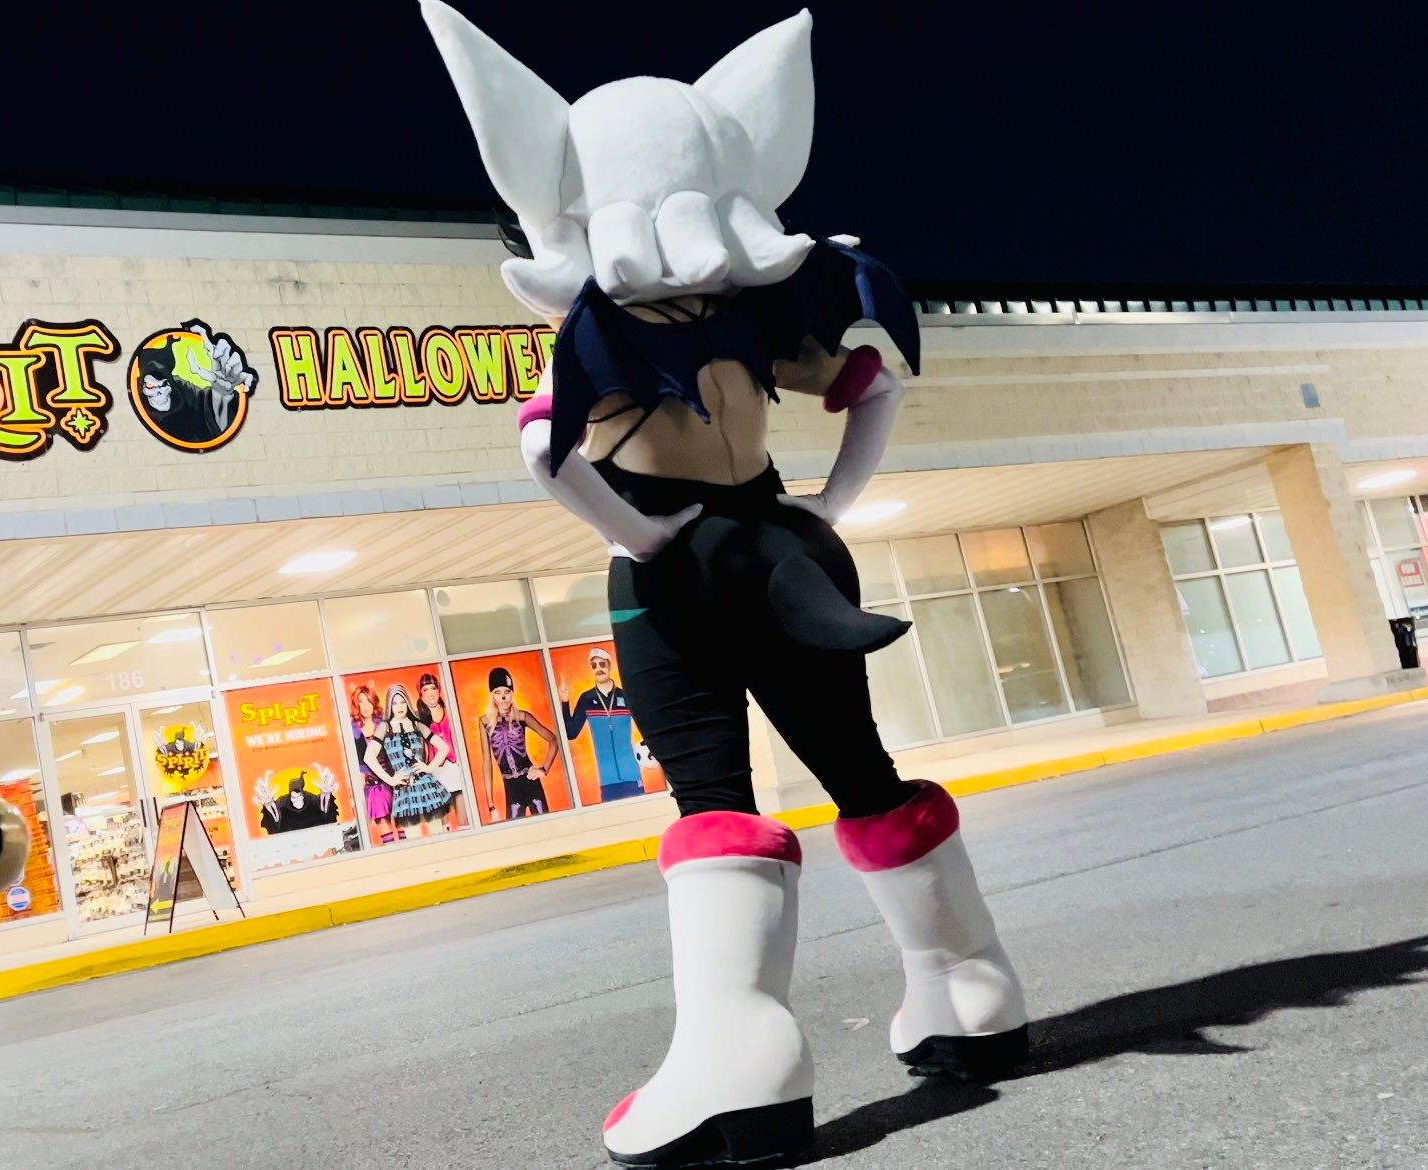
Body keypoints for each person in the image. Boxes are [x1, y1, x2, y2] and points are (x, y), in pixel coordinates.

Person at [422, 5, 1029, 1166]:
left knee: (710, 795)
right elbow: (873, 381)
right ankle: (970, 990)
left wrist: (641, 537)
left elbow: (543, 453)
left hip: (677, 574)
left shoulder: (598, 329)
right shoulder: (762, 315)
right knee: (860, 770)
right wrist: (826, 506)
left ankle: (741, 1060)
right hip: (787, 545)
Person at [134, 322, 252, 446]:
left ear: (170, 383)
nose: (159, 391)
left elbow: (208, 410)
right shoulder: (138, 408)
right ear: (142, 387)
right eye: (151, 386)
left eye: (163, 385)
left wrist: (222, 394)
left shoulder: (184, 392)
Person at [365, 685, 456, 838]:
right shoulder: (385, 727)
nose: (399, 706)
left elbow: (444, 747)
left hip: (426, 786)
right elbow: (368, 757)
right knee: (413, 837)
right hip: (404, 790)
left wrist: (429, 767)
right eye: (395, 703)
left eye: (402, 702)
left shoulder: (416, 725)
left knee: (437, 833)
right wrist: (390, 780)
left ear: (407, 702)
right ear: (389, 705)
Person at [561, 646, 645, 801]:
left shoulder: (625, 695)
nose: (598, 669)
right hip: (607, 779)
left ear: (609, 666)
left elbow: (646, 725)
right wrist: (565, 702)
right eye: (594, 665)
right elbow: (571, 733)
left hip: (632, 774)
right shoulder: (586, 699)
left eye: (602, 664)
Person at [477, 666, 560, 819]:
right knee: (515, 827)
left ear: (512, 693)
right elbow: (486, 763)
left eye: (507, 691)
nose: (503, 697)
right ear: (492, 695)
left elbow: (553, 740)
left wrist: (544, 769)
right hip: (511, 788)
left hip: (531, 782)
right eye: (498, 692)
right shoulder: (484, 722)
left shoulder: (522, 717)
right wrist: (491, 805)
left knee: (545, 824)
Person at [415, 673, 467, 830]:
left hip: (455, 766)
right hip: (436, 769)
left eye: (433, 688)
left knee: (464, 819)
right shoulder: (418, 717)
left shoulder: (450, 711)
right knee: (445, 824)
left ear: (439, 690)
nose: (431, 693)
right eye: (426, 690)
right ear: (420, 694)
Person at [349, 685, 396, 843]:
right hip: (373, 784)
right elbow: (358, 760)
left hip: (394, 779)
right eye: (360, 701)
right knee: (385, 830)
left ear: (374, 702)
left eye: (368, 701)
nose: (365, 706)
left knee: (403, 826)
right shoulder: (353, 731)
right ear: (356, 705)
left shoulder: (385, 725)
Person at [254, 770, 340, 834]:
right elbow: (273, 819)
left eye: (299, 796)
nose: (297, 799)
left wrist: (326, 794)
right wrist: (268, 804)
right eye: (294, 797)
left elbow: (326, 813)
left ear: (302, 795)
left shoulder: (311, 800)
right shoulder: (283, 804)